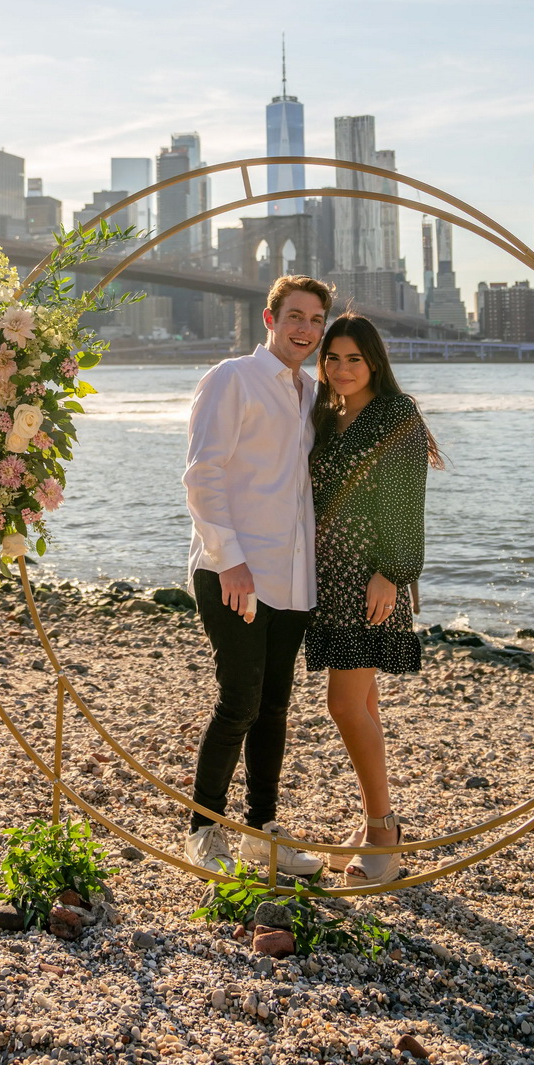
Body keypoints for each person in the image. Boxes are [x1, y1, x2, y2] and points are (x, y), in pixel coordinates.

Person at [182, 272, 332, 876]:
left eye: (317, 320)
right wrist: (231, 559)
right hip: (233, 571)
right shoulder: (233, 378)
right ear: (269, 320)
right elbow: (203, 474)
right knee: (239, 702)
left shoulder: (313, 393)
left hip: (292, 576)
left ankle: (261, 830)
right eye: (295, 316)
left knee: (275, 707)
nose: (306, 329)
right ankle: (203, 829)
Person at [305, 313, 440, 882]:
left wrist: (392, 572)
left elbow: (408, 500)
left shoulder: (395, 414)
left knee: (343, 705)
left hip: (368, 579)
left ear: (375, 362)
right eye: (332, 358)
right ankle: (373, 824)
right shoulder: (324, 414)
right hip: (327, 576)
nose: (340, 369)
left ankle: (383, 829)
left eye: (353, 359)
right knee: (362, 705)